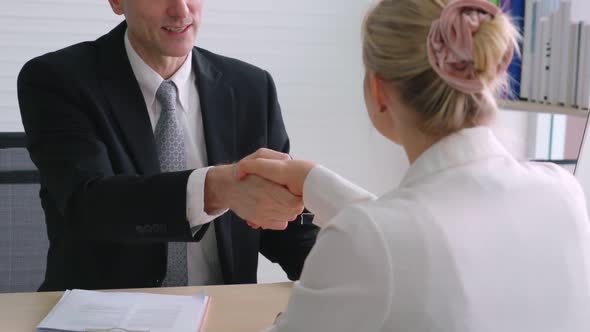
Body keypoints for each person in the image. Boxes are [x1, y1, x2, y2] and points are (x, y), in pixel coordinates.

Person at [238, 0, 590, 330]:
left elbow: (392, 241)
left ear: (378, 91)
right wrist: (313, 181)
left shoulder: (371, 240)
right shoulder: (564, 192)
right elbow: (419, 235)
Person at [16, 0, 318, 291]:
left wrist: (345, 270)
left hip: (221, 313)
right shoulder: (58, 79)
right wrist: (215, 187)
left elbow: (285, 228)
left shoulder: (250, 86)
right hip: (103, 315)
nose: (180, 10)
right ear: (116, 2)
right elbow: (88, 204)